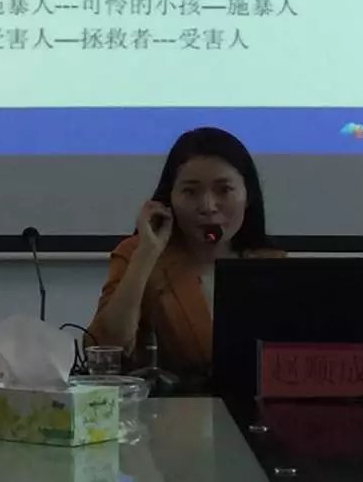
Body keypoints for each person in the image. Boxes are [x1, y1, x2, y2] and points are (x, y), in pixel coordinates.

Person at [89, 127, 284, 378]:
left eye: (224, 190)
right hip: (173, 403)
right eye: (190, 192)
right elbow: (105, 349)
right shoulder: (139, 254)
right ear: (170, 198)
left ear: (248, 196)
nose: (208, 206)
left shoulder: (271, 262)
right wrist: (146, 253)